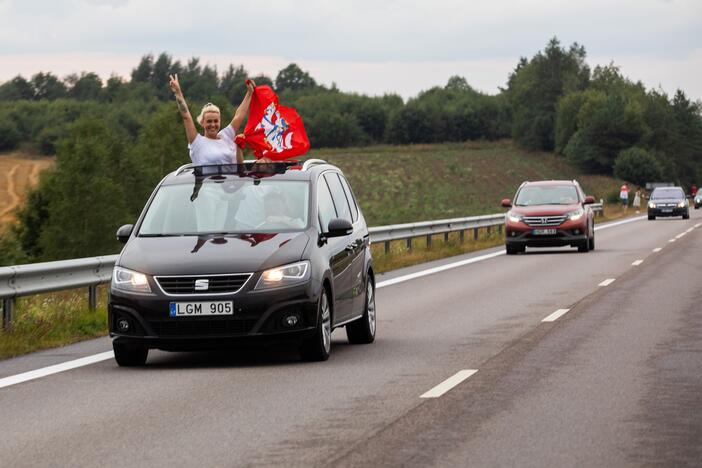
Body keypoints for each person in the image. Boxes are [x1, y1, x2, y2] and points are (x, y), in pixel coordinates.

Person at [169, 74, 255, 166]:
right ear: (202, 123)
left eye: (216, 121)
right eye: (209, 121)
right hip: (208, 180)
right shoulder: (197, 142)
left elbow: (239, 115)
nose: (213, 125)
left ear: (220, 121)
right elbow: (186, 116)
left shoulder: (226, 136)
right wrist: (178, 93)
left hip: (232, 180)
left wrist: (249, 93)